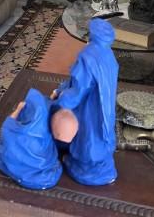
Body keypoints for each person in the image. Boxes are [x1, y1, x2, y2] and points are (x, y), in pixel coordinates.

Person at [51, 18, 119, 185]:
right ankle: (102, 166)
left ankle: (85, 167)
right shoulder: (109, 55)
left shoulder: (88, 56)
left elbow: (79, 89)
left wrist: (61, 101)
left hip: (90, 106)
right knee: (102, 131)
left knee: (89, 134)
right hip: (105, 105)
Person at [0, 88, 62, 190]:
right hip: (47, 175)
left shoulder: (15, 130)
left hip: (23, 171)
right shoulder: (44, 126)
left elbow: (7, 126)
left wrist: (18, 109)